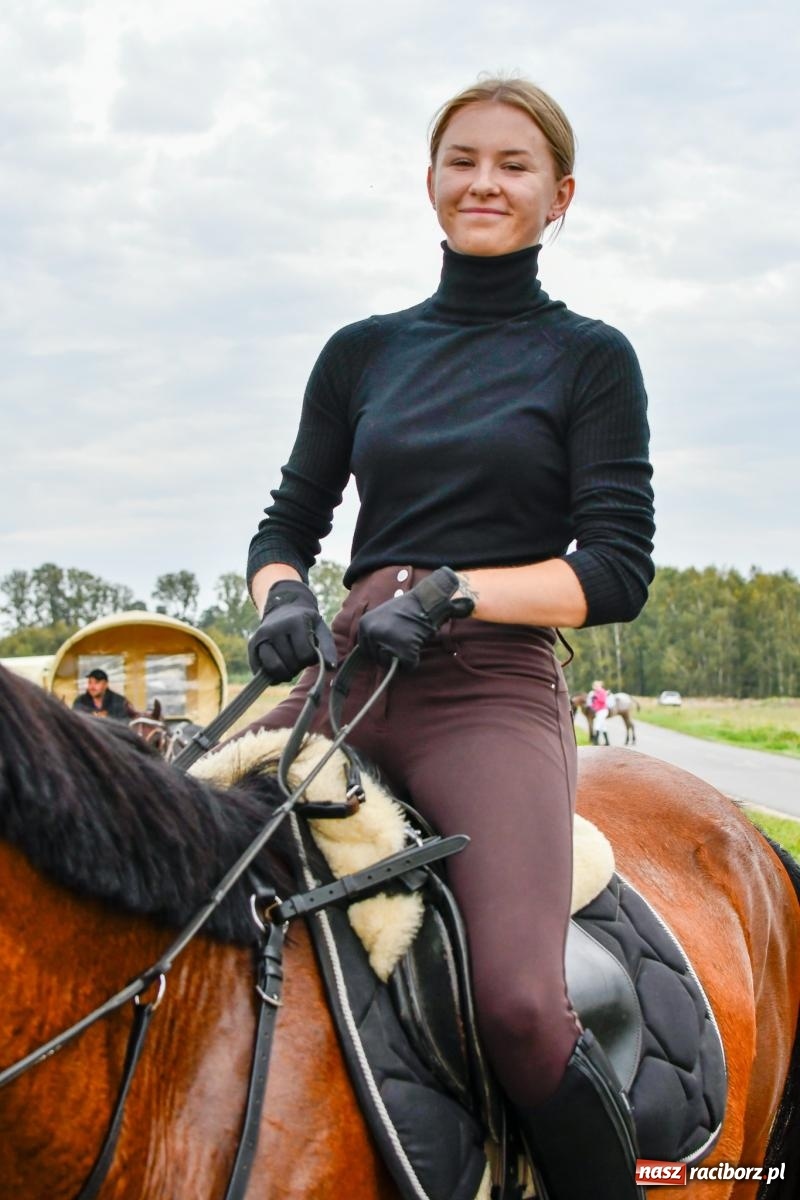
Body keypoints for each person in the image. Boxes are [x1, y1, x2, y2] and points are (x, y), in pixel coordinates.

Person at [244, 76, 654, 1199]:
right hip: (351, 671)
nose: (483, 181)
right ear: (428, 184)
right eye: (460, 160)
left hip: (486, 688)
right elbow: (288, 524)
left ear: (557, 196)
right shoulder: (360, 351)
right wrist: (283, 599)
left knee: (520, 1006)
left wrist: (458, 592)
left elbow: (613, 570)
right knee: (191, 893)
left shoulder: (589, 358)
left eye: (512, 165)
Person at [72, 668, 137, 721]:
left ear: (106, 684)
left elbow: (128, 724)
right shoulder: (80, 701)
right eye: (90, 682)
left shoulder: (120, 701)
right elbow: (75, 722)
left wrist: (108, 718)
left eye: (96, 682)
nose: (92, 686)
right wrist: (92, 717)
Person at [588, 678, 610, 745]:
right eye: (594, 686)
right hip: (598, 711)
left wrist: (596, 697)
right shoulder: (595, 693)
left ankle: (595, 742)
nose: (595, 687)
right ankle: (607, 742)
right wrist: (592, 705)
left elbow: (603, 701)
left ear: (599, 686)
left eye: (596, 686)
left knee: (597, 725)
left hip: (603, 711)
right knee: (603, 726)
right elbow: (594, 703)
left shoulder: (602, 692)